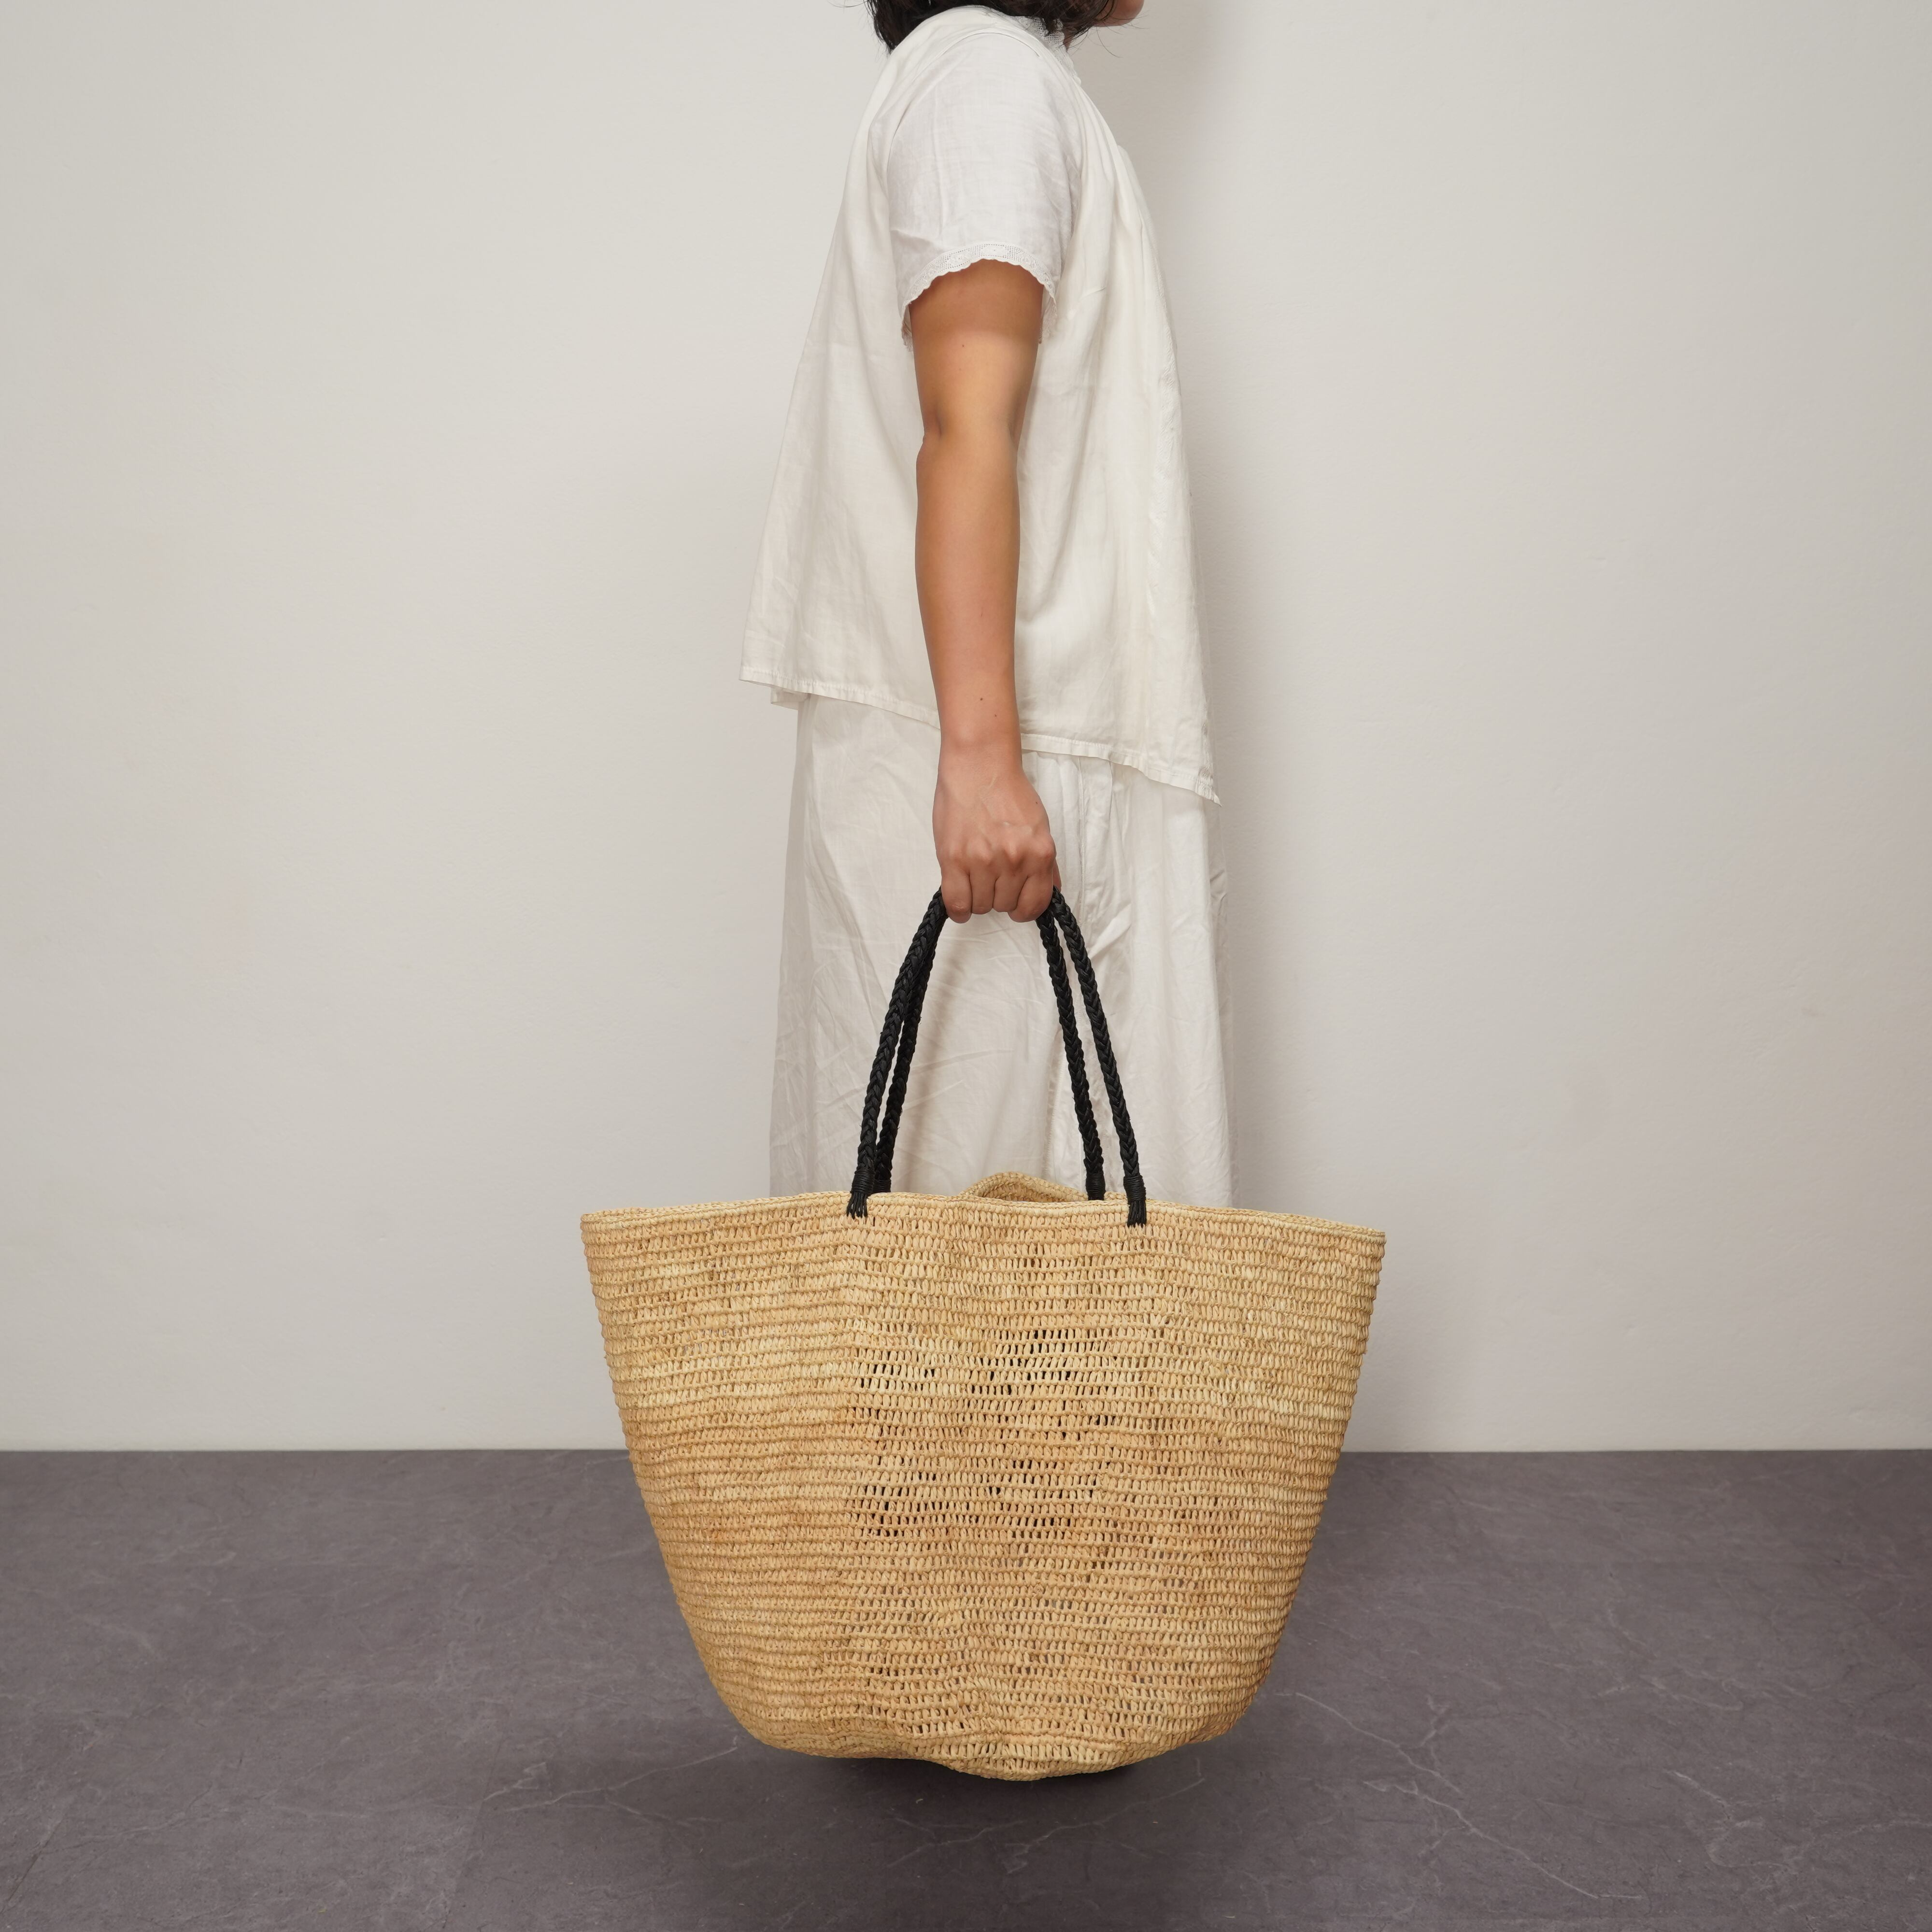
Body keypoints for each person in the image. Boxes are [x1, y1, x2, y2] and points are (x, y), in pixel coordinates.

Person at [744, 0, 1232, 1206]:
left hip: (1021, 754)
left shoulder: (994, 82)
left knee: (998, 1272)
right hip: (1001, 775)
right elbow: (964, 423)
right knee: (965, 1260)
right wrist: (979, 763)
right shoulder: (986, 84)